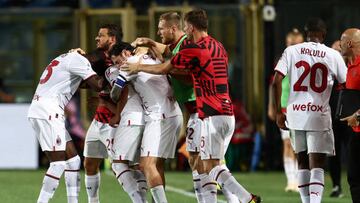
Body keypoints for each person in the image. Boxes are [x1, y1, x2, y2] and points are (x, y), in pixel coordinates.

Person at [122, 8, 261, 203]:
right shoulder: (218, 45)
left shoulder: (192, 48)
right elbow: (170, 56)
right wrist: (153, 45)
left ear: (189, 27)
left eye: (185, 28)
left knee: (211, 166)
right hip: (226, 111)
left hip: (207, 113)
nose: (184, 32)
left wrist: (139, 66)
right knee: (200, 161)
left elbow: (166, 67)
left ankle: (246, 198)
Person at [273, 18, 347, 203]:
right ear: (323, 34)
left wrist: (278, 112)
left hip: (295, 114)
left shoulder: (291, 51)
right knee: (317, 165)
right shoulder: (332, 54)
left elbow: (276, 81)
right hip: (318, 115)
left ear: (307, 33)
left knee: (302, 164)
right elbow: (347, 83)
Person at [27, 50, 107, 203]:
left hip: (42, 108)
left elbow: (80, 83)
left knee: (73, 161)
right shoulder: (81, 61)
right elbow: (96, 85)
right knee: (58, 164)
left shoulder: (69, 57)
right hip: (49, 110)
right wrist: (116, 75)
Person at [111, 42, 183, 203]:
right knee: (156, 166)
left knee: (146, 165)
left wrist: (122, 87)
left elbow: (115, 93)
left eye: (117, 61)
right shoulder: (151, 57)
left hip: (159, 117)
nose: (118, 65)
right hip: (174, 113)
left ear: (125, 53)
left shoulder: (129, 64)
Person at [82, 24, 123, 203]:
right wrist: (77, 56)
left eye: (101, 35)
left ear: (112, 39)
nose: (97, 38)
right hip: (99, 119)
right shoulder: (100, 58)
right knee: (89, 163)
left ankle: (143, 196)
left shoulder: (123, 59)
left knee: (122, 167)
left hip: (115, 122)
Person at [105, 43, 148, 202]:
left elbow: (122, 91)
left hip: (131, 117)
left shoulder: (114, 71)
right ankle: (142, 198)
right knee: (138, 166)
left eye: (117, 61)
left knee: (118, 164)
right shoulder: (145, 62)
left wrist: (117, 115)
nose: (118, 65)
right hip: (148, 118)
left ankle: (138, 200)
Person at [269, 28, 304, 192]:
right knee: (287, 144)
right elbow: (274, 84)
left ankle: (299, 179)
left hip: (300, 107)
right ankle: (291, 180)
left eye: (296, 42)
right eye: (290, 42)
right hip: (284, 106)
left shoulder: (306, 60)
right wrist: (272, 106)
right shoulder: (282, 60)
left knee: (299, 146)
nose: (293, 45)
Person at [327, 39, 351, 198]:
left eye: (339, 49)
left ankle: (354, 184)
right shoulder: (327, 72)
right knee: (332, 153)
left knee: (353, 152)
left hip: (350, 118)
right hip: (331, 118)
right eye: (334, 50)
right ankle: (336, 185)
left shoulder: (353, 68)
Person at [338, 28, 360, 203]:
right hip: (356, 131)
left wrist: (358, 116)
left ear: (350, 43)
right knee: (354, 177)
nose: (339, 44)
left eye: (342, 41)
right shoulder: (351, 65)